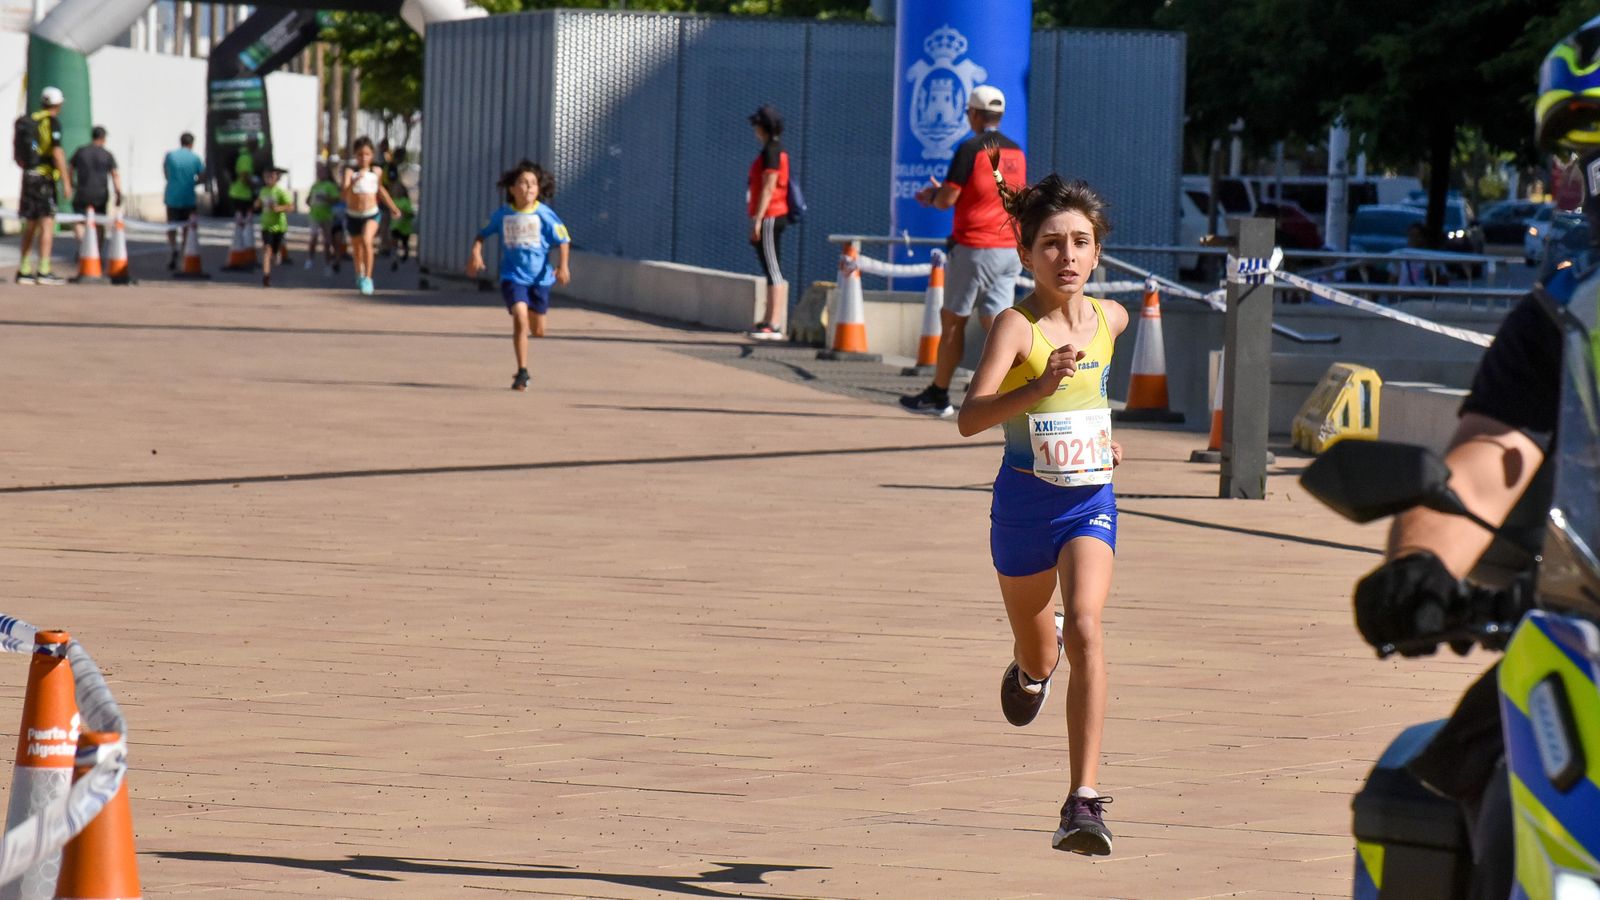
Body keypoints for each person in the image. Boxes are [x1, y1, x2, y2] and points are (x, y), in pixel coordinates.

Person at [1347, 16, 1600, 897]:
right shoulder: (1562, 316)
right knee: (1491, 783)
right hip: (1591, 642)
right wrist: (1421, 568)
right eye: (1589, 160)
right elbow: (1488, 461)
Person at [954, 156, 1128, 856]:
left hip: (1089, 502)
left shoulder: (1113, 317)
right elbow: (970, 417)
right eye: (1051, 243)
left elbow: (1095, 403)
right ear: (1024, 252)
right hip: (1024, 506)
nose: (1068, 256)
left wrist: (1105, 444)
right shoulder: (1016, 328)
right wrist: (1038, 387)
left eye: (1080, 241)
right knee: (1044, 648)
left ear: (1098, 247)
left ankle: (1082, 802)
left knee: (1087, 627)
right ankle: (1030, 669)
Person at [901, 85, 1027, 417]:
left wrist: (932, 195)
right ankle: (1026, 393)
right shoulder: (1017, 151)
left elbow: (948, 200)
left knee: (953, 320)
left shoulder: (970, 149)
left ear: (973, 113)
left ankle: (939, 394)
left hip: (974, 246)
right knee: (999, 324)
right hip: (1008, 248)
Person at [465, 160, 571, 392]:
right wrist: (476, 253)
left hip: (540, 279)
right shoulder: (503, 214)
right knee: (520, 318)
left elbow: (563, 239)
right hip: (513, 276)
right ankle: (522, 371)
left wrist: (563, 267)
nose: (528, 188)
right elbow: (481, 235)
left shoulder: (545, 214)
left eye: (533, 184)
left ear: (539, 189)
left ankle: (535, 321)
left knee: (538, 330)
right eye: (522, 183)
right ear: (512, 189)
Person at [15, 86, 73, 285]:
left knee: (30, 223)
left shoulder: (32, 120)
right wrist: (66, 181)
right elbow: (57, 152)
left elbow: (33, 146)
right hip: (44, 179)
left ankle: (24, 269)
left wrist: (34, 155)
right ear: (58, 104)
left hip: (29, 175)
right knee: (47, 223)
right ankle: (44, 269)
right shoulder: (52, 122)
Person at [745, 105, 790, 339]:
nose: (755, 130)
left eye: (757, 125)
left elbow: (769, 186)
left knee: (774, 270)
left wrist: (758, 219)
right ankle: (767, 319)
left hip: (772, 215)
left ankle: (774, 324)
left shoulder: (772, 151)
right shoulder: (769, 150)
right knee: (769, 267)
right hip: (769, 215)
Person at [342, 136, 402, 296]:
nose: (363, 158)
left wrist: (393, 208)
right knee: (356, 247)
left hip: (371, 213)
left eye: (367, 154)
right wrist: (352, 184)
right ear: (355, 155)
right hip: (353, 214)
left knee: (367, 241)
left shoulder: (376, 172)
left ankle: (368, 278)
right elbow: (344, 195)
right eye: (360, 154)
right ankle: (359, 274)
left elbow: (381, 191)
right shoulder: (350, 172)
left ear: (372, 155)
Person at [67, 125, 122, 246]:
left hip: (82, 191)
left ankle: (82, 244)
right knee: (99, 221)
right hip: (100, 194)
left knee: (79, 220)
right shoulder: (107, 154)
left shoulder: (81, 151)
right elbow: (115, 175)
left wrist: (70, 184)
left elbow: (70, 168)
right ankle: (96, 250)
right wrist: (118, 193)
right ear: (103, 138)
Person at [162, 132, 205, 270]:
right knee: (187, 227)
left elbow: (166, 173)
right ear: (192, 144)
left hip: (172, 196)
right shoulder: (195, 158)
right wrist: (193, 183)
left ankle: (173, 248)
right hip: (188, 197)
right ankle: (184, 249)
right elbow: (202, 176)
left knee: (172, 225)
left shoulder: (170, 156)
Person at [254, 168, 294, 288]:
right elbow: (258, 203)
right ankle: (266, 275)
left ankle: (277, 255)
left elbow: (290, 207)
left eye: (271, 176)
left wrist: (278, 208)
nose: (269, 179)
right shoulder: (263, 191)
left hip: (279, 226)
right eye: (266, 176)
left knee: (275, 253)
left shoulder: (280, 192)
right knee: (266, 249)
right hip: (266, 225)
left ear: (276, 177)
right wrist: (256, 204)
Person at [305, 162, 341, 274]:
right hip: (314, 215)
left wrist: (327, 199)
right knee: (313, 238)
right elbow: (308, 200)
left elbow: (336, 200)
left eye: (323, 172)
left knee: (327, 241)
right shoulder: (315, 186)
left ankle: (327, 264)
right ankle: (310, 259)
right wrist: (310, 202)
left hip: (327, 216)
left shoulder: (330, 186)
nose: (320, 174)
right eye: (319, 172)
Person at [229, 135, 261, 225]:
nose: (257, 147)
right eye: (256, 144)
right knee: (243, 220)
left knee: (242, 219)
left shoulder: (243, 155)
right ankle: (242, 237)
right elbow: (244, 176)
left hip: (238, 192)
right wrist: (254, 186)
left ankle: (242, 235)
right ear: (251, 144)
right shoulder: (245, 157)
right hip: (242, 194)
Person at [389, 183, 416, 270]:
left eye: (399, 190)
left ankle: (405, 254)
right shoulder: (393, 201)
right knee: (394, 242)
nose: (397, 192)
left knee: (404, 243)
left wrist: (404, 213)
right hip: (395, 226)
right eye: (395, 190)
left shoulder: (405, 201)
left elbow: (411, 214)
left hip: (405, 227)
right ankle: (394, 259)